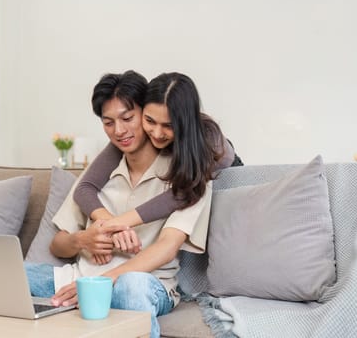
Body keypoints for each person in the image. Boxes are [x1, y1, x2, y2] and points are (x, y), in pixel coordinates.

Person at [25, 70, 211, 338]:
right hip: (79, 278)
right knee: (7, 274)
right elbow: (58, 244)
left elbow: (167, 247)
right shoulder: (97, 177)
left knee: (131, 286)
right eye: (108, 122)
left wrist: (101, 283)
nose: (119, 130)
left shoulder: (189, 174)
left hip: (145, 283)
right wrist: (83, 240)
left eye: (127, 118)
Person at [73, 72, 243, 237]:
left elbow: (182, 193)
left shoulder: (207, 138)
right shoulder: (130, 133)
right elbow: (85, 188)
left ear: (184, 123)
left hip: (227, 181)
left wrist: (118, 224)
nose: (156, 133)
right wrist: (112, 225)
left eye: (168, 126)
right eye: (149, 121)